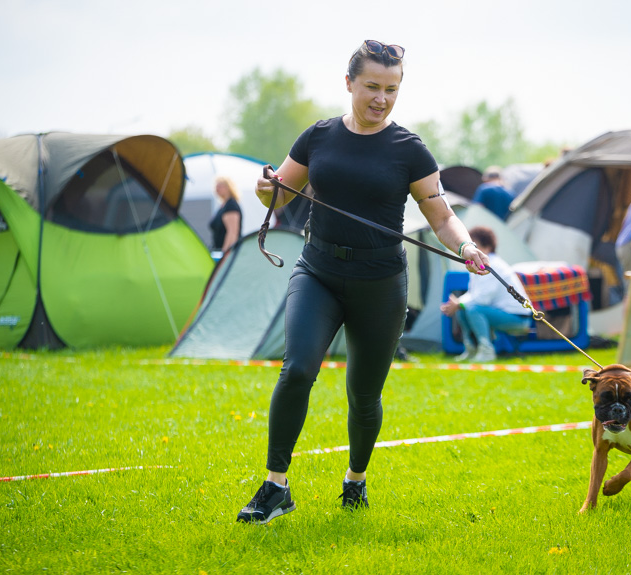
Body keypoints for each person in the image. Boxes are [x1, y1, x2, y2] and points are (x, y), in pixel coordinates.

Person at [237, 40, 491, 524]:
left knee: (364, 394)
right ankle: (275, 487)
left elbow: (441, 216)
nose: (381, 98)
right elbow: (278, 194)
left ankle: (355, 479)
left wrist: (466, 247)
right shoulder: (319, 136)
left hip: (380, 282)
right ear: (349, 82)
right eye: (372, 86)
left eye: (391, 89)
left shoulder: (409, 149)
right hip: (319, 272)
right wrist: (265, 187)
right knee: (297, 370)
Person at [440, 227, 531, 362]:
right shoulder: (480, 265)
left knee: (472, 309)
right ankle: (471, 349)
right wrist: (458, 304)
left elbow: (482, 300)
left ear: (487, 248)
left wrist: (458, 303)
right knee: (462, 310)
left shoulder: (494, 265)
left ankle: (486, 351)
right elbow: (473, 294)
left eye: (475, 246)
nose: (471, 250)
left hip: (519, 319)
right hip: (501, 314)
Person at [209, 176, 242, 253]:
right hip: (218, 249)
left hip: (226, 252)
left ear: (228, 187)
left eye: (220, 186)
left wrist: (225, 252)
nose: (217, 189)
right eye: (216, 187)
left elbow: (233, 232)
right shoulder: (222, 206)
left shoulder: (231, 205)